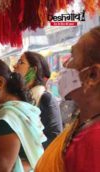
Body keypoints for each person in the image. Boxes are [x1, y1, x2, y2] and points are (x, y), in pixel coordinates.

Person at [35, 26, 100, 171]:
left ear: (93, 75)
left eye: (73, 57)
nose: (65, 64)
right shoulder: (82, 123)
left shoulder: (95, 140)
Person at [13, 51, 62, 148]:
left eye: (20, 62)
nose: (14, 66)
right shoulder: (19, 98)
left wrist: (29, 152)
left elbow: (55, 138)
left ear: (33, 70)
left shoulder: (45, 98)